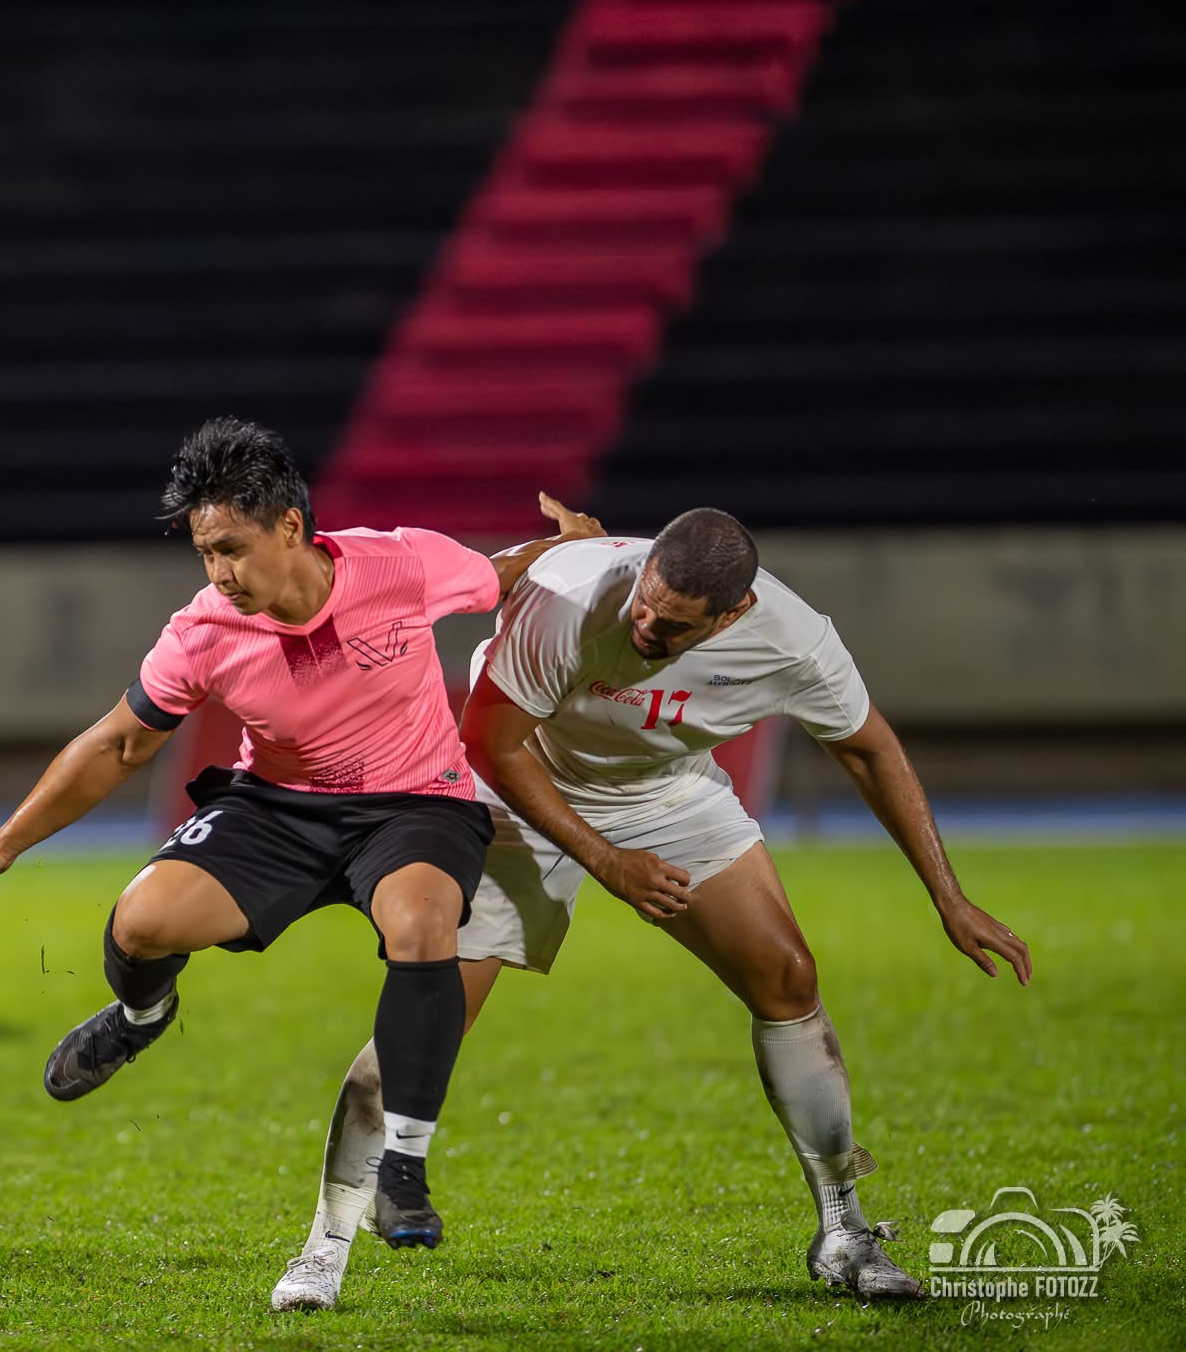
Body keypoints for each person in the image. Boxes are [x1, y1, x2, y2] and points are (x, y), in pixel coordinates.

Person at [273, 507, 1032, 1309]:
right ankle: (323, 1249)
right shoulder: (570, 596)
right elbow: (489, 741)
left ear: (731, 614)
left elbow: (868, 749)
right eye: (643, 605)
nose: (644, 628)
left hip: (662, 795)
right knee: (425, 1013)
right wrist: (606, 861)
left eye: (671, 627)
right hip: (512, 789)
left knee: (787, 978)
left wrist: (946, 895)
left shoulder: (794, 641)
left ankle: (844, 1230)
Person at [0, 417, 599, 1249]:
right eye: (205, 553)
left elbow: (495, 574)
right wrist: (4, 844)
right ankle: (141, 1016)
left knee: (422, 926)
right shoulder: (203, 630)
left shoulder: (400, 563)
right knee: (141, 923)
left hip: (414, 803)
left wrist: (568, 546)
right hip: (277, 809)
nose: (220, 573)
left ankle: (402, 1165)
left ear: (289, 526)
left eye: (232, 549)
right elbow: (118, 744)